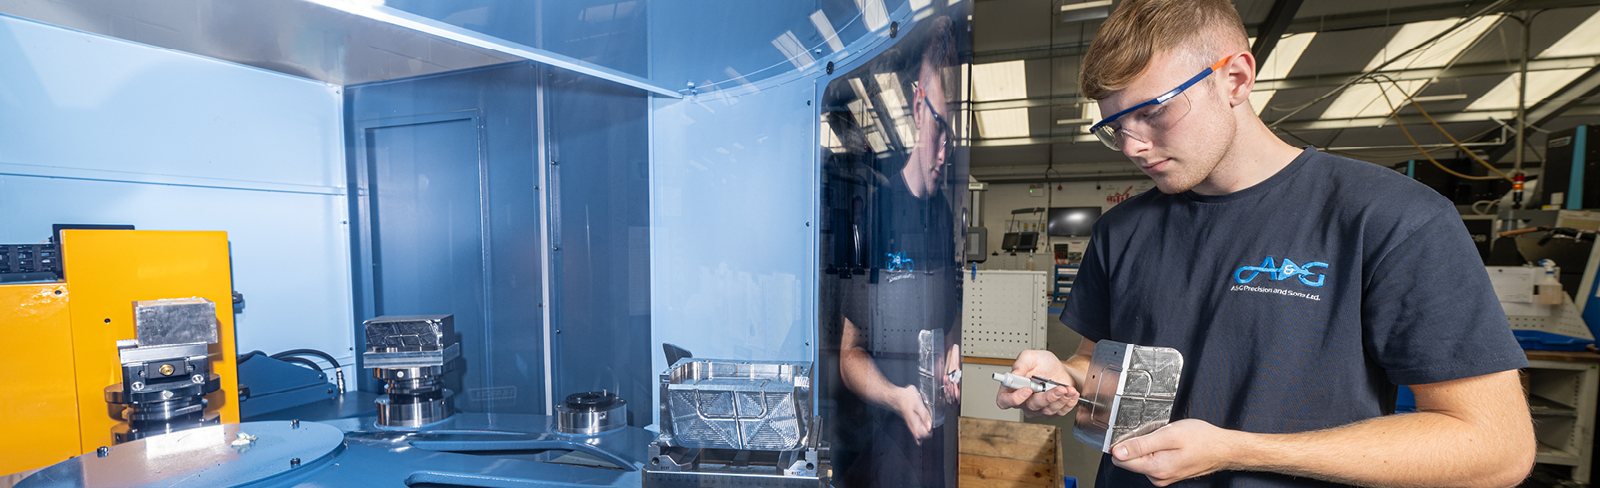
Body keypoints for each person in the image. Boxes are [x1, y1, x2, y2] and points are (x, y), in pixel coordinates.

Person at [995, 1, 1535, 487]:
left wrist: (1236, 451)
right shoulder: (1122, 230)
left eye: (1154, 111)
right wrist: (1062, 378)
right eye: (1115, 126)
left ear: (1235, 78)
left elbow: (1495, 448)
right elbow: (1096, 363)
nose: (1134, 145)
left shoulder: (1390, 218)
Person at [828, 14, 964, 488]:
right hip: (875, 440)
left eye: (955, 136)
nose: (945, 150)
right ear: (917, 106)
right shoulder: (872, 213)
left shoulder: (945, 214)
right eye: (940, 128)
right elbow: (849, 355)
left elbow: (945, 321)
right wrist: (895, 396)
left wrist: (952, 355)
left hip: (931, 434)